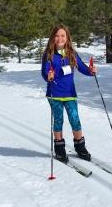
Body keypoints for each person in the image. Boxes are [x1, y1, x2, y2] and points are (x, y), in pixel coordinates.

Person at [41, 24, 96, 163]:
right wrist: (49, 75)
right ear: (53, 37)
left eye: (63, 36)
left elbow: (82, 68)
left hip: (70, 93)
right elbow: (44, 71)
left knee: (74, 119)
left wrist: (91, 71)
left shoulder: (71, 53)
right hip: (54, 93)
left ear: (67, 38)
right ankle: (59, 148)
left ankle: (80, 147)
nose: (60, 38)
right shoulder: (49, 54)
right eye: (57, 35)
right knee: (58, 120)